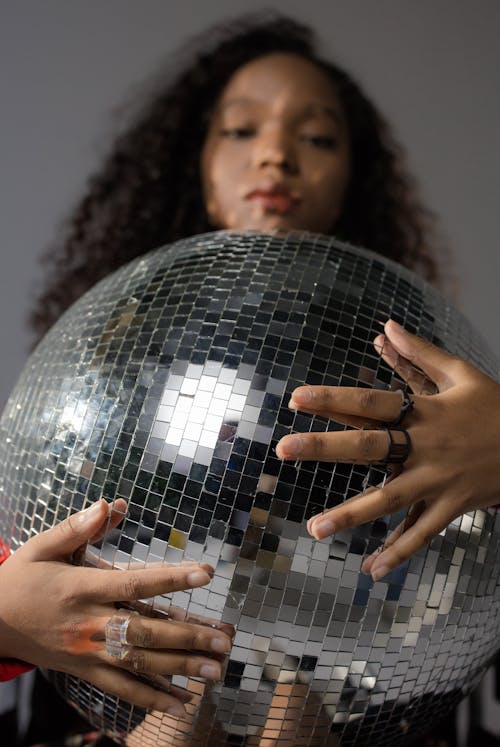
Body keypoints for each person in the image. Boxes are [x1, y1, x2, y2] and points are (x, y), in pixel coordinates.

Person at [2, 11, 499, 746]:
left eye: (318, 137)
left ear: (353, 178)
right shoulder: (109, 364)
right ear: (195, 162)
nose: (275, 155)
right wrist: (9, 617)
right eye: (241, 130)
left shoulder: (427, 382)